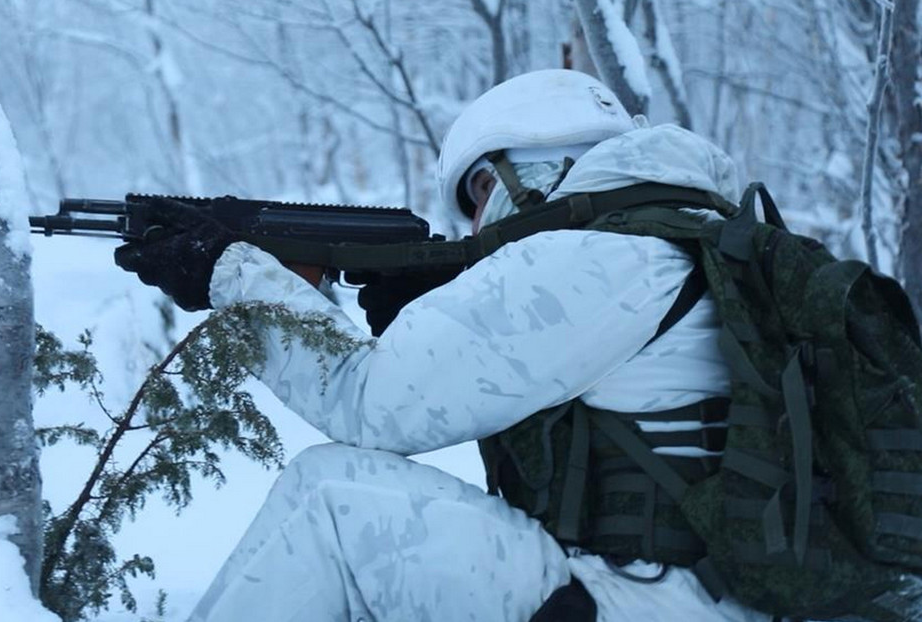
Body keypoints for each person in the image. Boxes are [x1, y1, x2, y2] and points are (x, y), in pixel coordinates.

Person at [115, 69, 770, 622]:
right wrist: (431, 309)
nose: (480, 219)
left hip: (648, 602)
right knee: (342, 493)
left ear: (544, 166)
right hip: (695, 593)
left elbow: (369, 405)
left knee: (335, 507)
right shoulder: (685, 240)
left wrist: (229, 272)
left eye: (484, 188)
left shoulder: (599, 259)